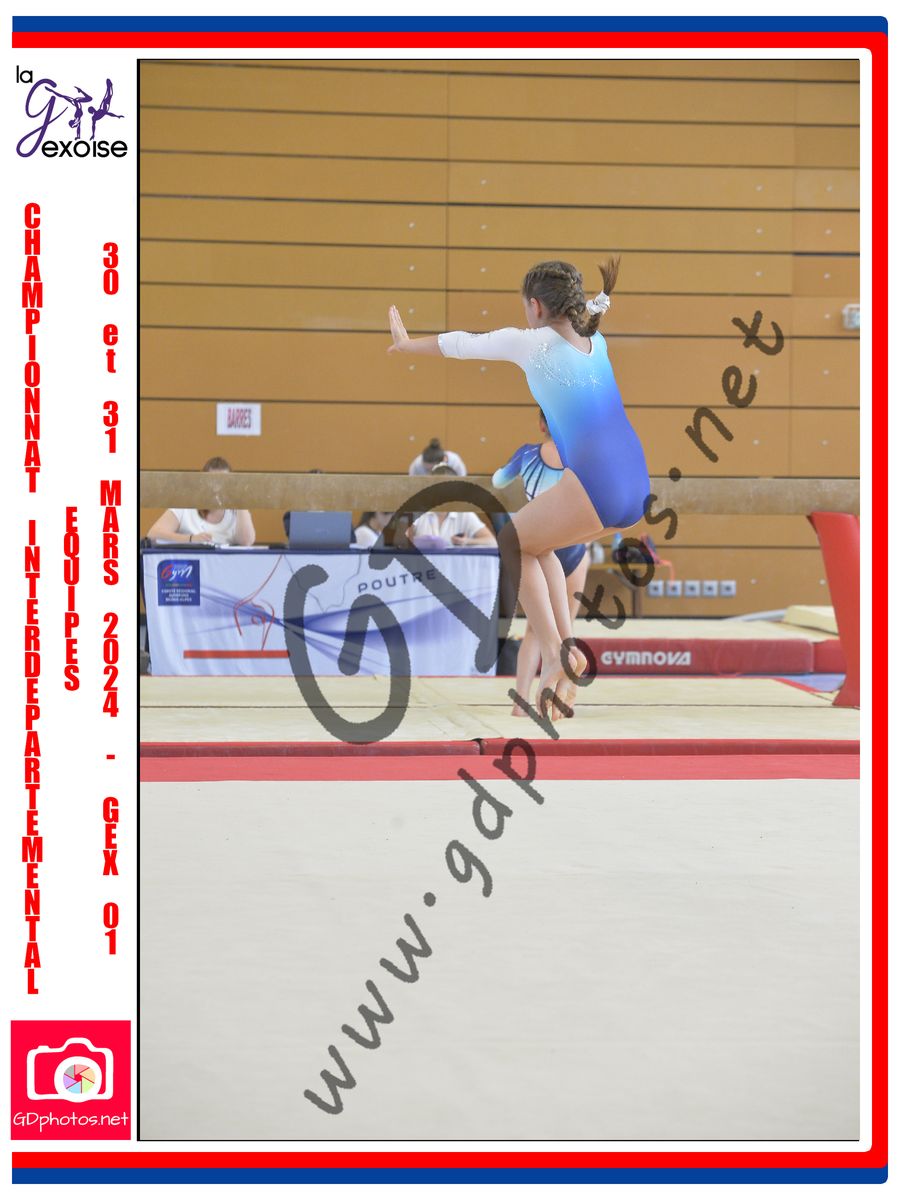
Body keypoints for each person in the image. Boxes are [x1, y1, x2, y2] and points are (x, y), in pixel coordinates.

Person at [388, 257, 650, 719]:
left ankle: (554, 653)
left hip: (598, 480)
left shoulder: (532, 343)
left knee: (511, 541)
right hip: (636, 481)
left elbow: (463, 343)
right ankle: (565, 646)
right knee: (536, 545)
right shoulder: (596, 341)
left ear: (535, 306)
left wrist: (408, 345)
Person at [492, 411, 590, 717]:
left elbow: (498, 481)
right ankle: (561, 694)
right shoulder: (578, 457)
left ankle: (520, 702)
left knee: (536, 629)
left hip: (540, 541)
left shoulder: (527, 454)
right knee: (564, 628)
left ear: (541, 424)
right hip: (573, 547)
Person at [146, 457, 256, 546]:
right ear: (203, 483)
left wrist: (240, 501)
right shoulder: (185, 507)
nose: (217, 488)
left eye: (223, 482)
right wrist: (190, 539)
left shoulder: (238, 512)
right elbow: (153, 535)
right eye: (212, 482)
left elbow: (246, 542)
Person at [408, 463, 496, 547]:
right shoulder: (418, 512)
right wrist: (417, 541)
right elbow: (402, 541)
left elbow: (492, 541)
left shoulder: (464, 514)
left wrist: (467, 541)